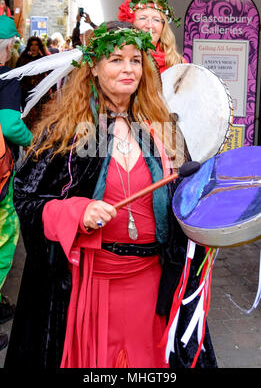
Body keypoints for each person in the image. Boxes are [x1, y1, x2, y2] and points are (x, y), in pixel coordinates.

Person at [4, 21, 217, 369]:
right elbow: (27, 199)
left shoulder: (161, 125)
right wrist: (76, 212)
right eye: (116, 59)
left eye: (135, 60)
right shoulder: (68, 132)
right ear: (94, 65)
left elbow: (186, 192)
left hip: (152, 284)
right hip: (92, 287)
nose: (128, 69)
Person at [0, 15, 32, 351]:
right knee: (2, 241)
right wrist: (32, 139)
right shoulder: (6, 77)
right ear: (8, 47)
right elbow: (9, 124)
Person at [118, 0, 184, 91]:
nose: (149, 25)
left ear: (163, 26)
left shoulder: (178, 62)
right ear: (130, 23)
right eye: (143, 18)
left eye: (156, 20)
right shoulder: (119, 58)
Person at [16, 36, 49, 130]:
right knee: (27, 116)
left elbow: (51, 74)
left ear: (39, 47)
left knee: (39, 118)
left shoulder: (43, 59)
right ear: (28, 46)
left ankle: (38, 138)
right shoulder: (23, 58)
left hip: (40, 93)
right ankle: (28, 139)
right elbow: (17, 74)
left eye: (36, 45)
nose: (33, 47)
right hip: (25, 93)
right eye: (31, 45)